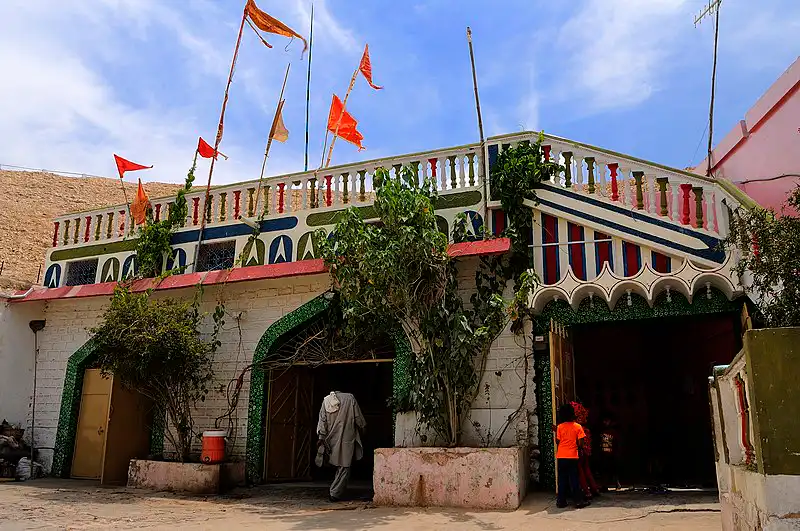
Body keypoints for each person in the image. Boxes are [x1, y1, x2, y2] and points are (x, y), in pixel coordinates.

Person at [316, 391, 366, 502]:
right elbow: (358, 417)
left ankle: (335, 491)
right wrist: (363, 428)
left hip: (331, 438)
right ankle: (335, 492)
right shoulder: (350, 398)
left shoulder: (326, 400)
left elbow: (322, 420)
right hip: (346, 438)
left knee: (339, 464)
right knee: (345, 466)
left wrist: (321, 437)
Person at [556, 403, 589, 509]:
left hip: (561, 456)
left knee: (562, 479)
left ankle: (561, 501)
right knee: (574, 479)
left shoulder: (560, 427)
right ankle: (578, 501)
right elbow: (581, 444)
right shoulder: (577, 427)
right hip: (572, 456)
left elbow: (558, 441)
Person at [571, 401, 600, 499]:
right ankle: (594, 488)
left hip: (580, 450)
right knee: (586, 468)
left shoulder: (576, 427)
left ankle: (587, 492)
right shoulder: (585, 428)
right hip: (586, 450)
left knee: (580, 470)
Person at [598, 413, 621, 490]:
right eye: (604, 421)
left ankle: (617, 483)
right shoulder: (602, 431)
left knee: (614, 470)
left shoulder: (614, 432)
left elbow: (617, 443)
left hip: (613, 454)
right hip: (604, 454)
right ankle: (604, 485)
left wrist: (617, 453)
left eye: (606, 421)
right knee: (604, 470)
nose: (605, 422)